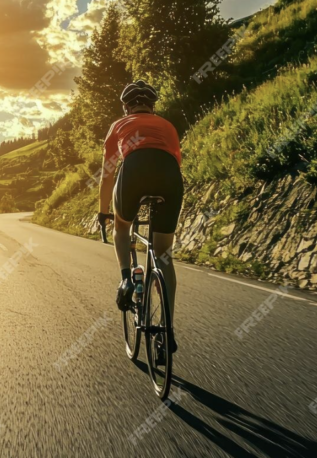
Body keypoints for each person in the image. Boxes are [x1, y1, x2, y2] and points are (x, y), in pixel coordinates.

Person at [96, 80, 183, 361]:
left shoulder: (118, 125)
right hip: (169, 177)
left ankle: (126, 280)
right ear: (153, 106)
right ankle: (166, 330)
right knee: (163, 254)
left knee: (122, 228)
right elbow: (174, 161)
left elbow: (108, 173)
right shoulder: (167, 125)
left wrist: (103, 212)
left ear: (126, 107)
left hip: (133, 172)